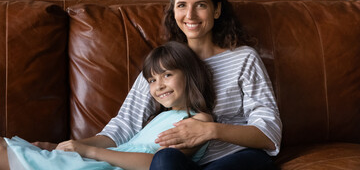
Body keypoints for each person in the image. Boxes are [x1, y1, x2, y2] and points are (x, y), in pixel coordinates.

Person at [0, 41, 215, 170]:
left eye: (167, 75)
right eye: (151, 80)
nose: (159, 86)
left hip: (108, 165)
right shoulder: (161, 117)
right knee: (13, 147)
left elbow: (158, 164)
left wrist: (90, 151)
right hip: (102, 162)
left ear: (190, 74)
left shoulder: (199, 120)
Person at [148, 0, 282, 170]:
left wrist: (210, 130)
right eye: (182, 5)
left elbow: (269, 133)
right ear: (173, 10)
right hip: (187, 163)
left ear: (216, 9)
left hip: (240, 157)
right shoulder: (164, 64)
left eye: (200, 5)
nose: (190, 15)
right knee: (164, 160)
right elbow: (125, 121)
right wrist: (83, 148)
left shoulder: (244, 58)